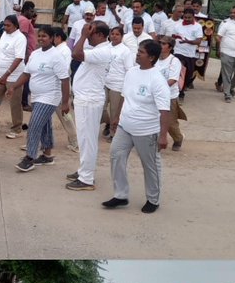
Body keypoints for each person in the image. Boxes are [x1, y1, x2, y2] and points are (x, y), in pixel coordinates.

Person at [105, 40, 170, 214]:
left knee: (150, 166)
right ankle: (121, 195)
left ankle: (153, 199)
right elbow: (125, 97)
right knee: (116, 156)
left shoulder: (157, 80)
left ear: (151, 57)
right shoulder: (132, 72)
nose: (137, 54)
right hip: (125, 127)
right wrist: (117, 117)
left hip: (147, 131)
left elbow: (165, 111)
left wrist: (163, 136)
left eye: (141, 52)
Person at [11, 24, 71, 172]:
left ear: (51, 38)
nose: (41, 38)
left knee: (34, 125)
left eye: (44, 36)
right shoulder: (35, 54)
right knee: (44, 125)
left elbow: (64, 79)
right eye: (39, 36)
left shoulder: (56, 56)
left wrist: (65, 102)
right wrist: (14, 86)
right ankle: (47, 155)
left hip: (50, 97)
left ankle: (30, 158)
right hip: (36, 96)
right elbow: (26, 74)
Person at [66, 18, 113, 192]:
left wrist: (83, 35)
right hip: (86, 98)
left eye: (91, 33)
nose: (88, 36)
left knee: (87, 140)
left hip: (89, 100)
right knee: (85, 139)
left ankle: (86, 178)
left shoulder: (103, 52)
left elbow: (76, 54)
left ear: (100, 35)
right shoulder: (98, 49)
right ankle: (83, 171)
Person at [0, 14, 27, 139]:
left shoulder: (20, 38)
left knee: (15, 104)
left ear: (15, 26)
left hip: (14, 77)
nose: (5, 27)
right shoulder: (4, 34)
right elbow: (1, 54)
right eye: (4, 25)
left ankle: (17, 129)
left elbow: (19, 58)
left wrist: (7, 74)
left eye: (8, 25)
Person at [154, 35, 183, 148]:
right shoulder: (155, 58)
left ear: (170, 47)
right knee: (154, 119)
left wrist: (159, 88)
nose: (160, 45)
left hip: (169, 96)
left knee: (170, 122)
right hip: (155, 95)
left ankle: (178, 138)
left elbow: (173, 79)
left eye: (163, 44)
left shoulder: (174, 61)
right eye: (159, 43)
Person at [171, 5, 204, 93]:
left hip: (190, 54)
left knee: (189, 74)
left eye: (189, 17)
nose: (187, 19)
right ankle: (178, 92)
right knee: (179, 70)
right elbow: (173, 37)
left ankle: (183, 88)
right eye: (185, 17)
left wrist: (188, 41)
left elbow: (198, 41)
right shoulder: (177, 25)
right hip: (178, 52)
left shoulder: (197, 27)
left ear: (193, 17)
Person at [217, 4, 235, 99]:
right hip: (227, 52)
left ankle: (230, 88)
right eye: (231, 12)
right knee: (226, 74)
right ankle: (227, 94)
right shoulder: (226, 23)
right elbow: (219, 36)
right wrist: (222, 47)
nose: (232, 14)